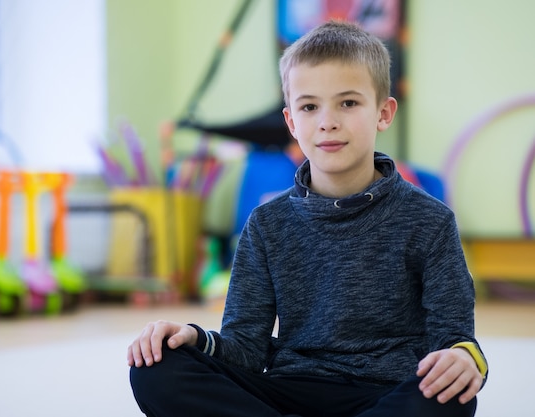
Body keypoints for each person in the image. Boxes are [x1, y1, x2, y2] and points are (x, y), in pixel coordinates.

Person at [127, 20, 488, 417]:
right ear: (291, 122)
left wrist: (466, 359)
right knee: (156, 367)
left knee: (452, 395)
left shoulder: (431, 221)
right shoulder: (266, 224)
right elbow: (245, 347)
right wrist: (193, 338)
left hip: (387, 394)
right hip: (289, 388)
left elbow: (454, 340)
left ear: (383, 113)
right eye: (309, 106)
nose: (327, 121)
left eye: (348, 103)